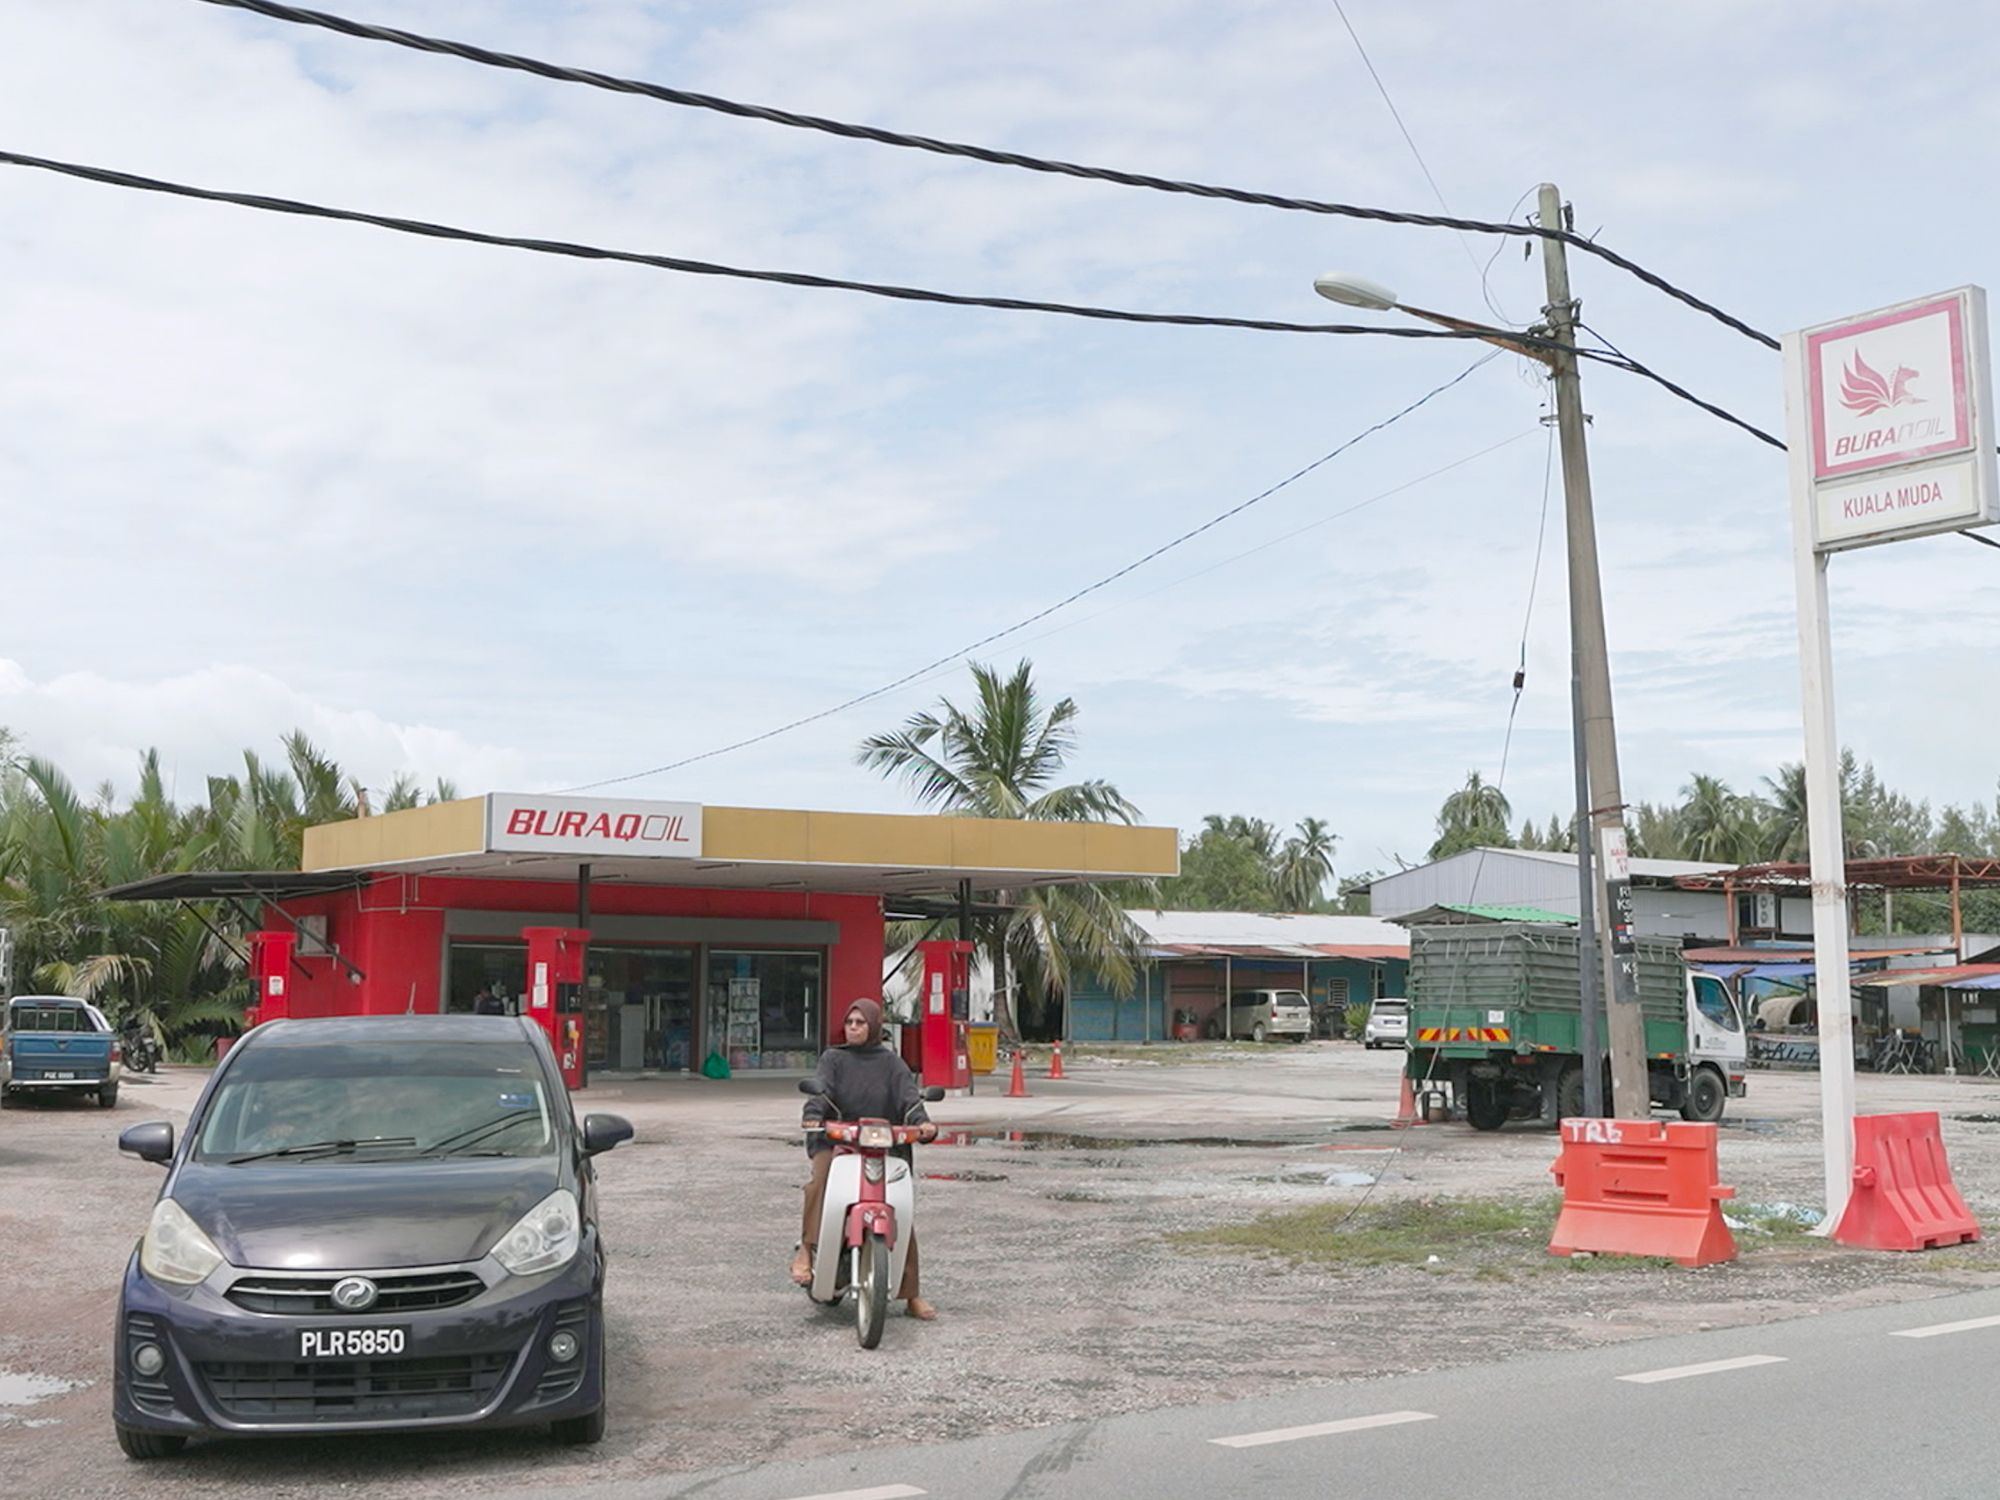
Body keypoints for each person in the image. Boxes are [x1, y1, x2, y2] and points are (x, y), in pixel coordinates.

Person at [790, 997, 939, 1320]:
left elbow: (909, 1099)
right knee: (820, 1184)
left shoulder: (891, 1063)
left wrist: (922, 1123)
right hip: (838, 1139)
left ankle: (911, 1293)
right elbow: (821, 1092)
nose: (854, 1027)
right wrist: (814, 1117)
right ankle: (807, 1249)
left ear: (873, 1026)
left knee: (900, 1208)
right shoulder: (834, 1058)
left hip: (882, 1144)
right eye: (850, 1022)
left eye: (861, 1022)